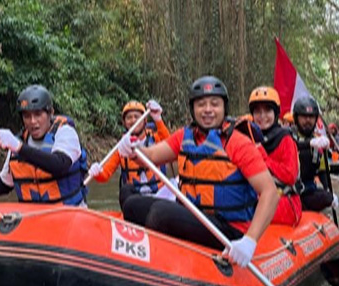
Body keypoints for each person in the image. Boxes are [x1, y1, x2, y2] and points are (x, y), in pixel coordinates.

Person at [118, 76, 279, 268]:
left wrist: (250, 240)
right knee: (132, 204)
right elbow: (151, 155)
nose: (208, 110)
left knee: (161, 214)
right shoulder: (185, 136)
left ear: (224, 108)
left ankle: (162, 263)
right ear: (193, 109)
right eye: (201, 104)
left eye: (215, 104)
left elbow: (270, 192)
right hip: (194, 216)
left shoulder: (238, 143)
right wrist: (133, 150)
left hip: (227, 230)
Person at [0, 84, 88, 208]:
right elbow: (5, 183)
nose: (33, 121)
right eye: (27, 116)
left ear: (50, 113)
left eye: (38, 114)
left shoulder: (65, 133)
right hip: (36, 219)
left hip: (70, 215)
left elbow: (59, 164)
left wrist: (19, 147)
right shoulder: (19, 142)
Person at [87, 100, 172, 208]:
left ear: (145, 120)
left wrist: (158, 120)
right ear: (124, 123)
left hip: (159, 196)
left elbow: (171, 146)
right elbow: (105, 175)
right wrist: (97, 172)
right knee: (125, 190)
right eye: (129, 118)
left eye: (137, 117)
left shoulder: (156, 138)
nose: (133, 120)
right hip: (136, 200)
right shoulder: (122, 147)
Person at [249, 86, 302, 226]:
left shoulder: (285, 139)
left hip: (284, 201)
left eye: (267, 110)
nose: (262, 116)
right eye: (257, 112)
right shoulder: (249, 138)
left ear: (275, 113)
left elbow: (290, 176)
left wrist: (264, 159)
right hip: (256, 198)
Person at [291, 96, 338, 212]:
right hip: (289, 191)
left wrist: (328, 189)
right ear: (296, 118)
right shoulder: (286, 135)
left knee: (327, 197)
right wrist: (309, 143)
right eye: (304, 116)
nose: (308, 120)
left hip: (308, 189)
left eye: (311, 117)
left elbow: (322, 170)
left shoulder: (318, 141)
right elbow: (294, 145)